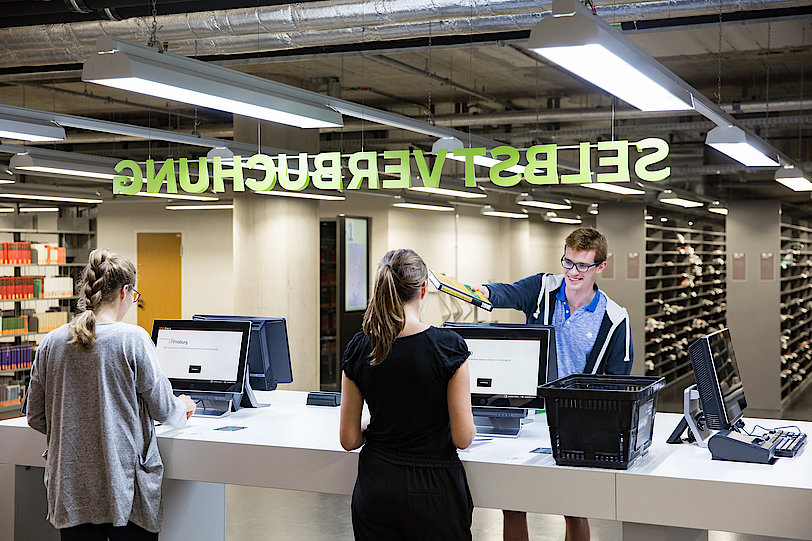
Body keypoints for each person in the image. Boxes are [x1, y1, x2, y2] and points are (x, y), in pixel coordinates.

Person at [474, 227, 633, 541]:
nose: (573, 272)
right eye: (568, 262)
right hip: (529, 412)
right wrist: (478, 290)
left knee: (574, 506)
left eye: (583, 266)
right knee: (513, 503)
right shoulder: (543, 289)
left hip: (576, 419)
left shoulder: (613, 318)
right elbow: (506, 292)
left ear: (601, 267)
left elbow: (618, 382)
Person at [26, 248, 196, 541]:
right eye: (135, 295)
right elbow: (165, 411)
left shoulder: (52, 342)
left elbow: (36, 416)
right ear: (126, 291)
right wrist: (182, 405)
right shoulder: (133, 339)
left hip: (71, 488)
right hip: (125, 490)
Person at [340, 248, 477, 541]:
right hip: (432, 489)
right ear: (424, 289)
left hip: (376, 485)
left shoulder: (359, 347)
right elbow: (463, 438)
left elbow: (349, 439)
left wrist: (375, 425)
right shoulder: (448, 348)